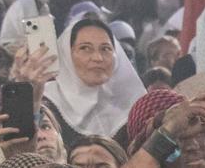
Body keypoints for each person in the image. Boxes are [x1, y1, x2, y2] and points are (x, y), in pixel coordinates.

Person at [41, 15, 144, 143]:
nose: (98, 58)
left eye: (105, 49)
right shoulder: (45, 103)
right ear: (66, 54)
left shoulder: (132, 102)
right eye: (85, 48)